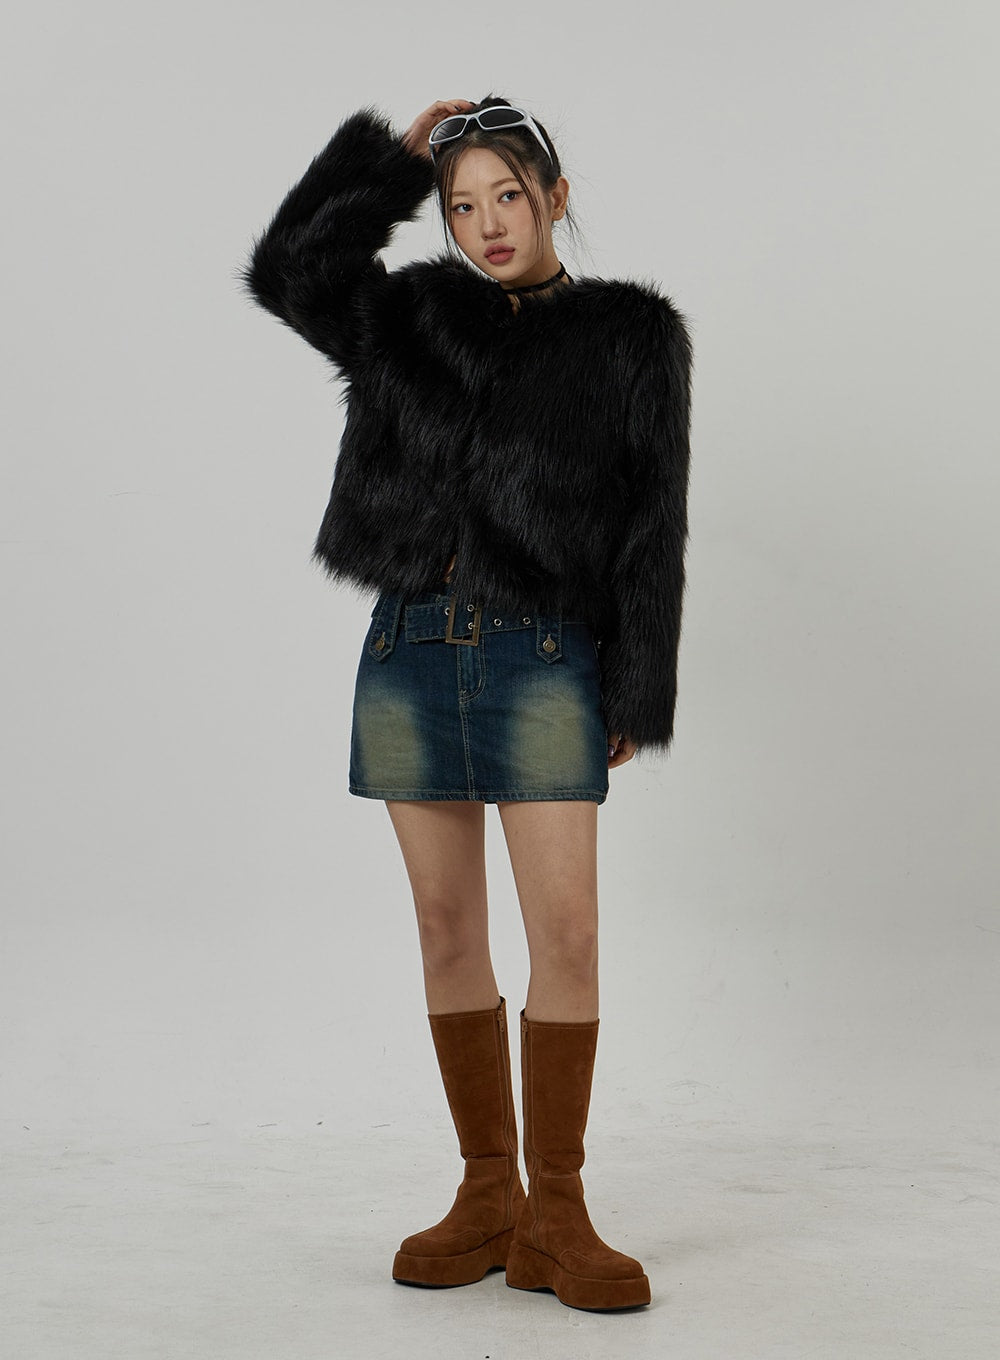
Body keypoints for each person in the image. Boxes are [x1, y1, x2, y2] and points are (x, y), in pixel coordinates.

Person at [240, 94, 693, 1313]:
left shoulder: (632, 338)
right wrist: (388, 164)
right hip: (409, 648)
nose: (487, 223)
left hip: (545, 655)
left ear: (553, 197)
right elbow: (289, 270)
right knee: (446, 931)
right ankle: (487, 1190)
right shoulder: (409, 319)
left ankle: (559, 1211)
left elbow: (653, 524)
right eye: (460, 205)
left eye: (508, 196)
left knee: (568, 935)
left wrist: (633, 686)